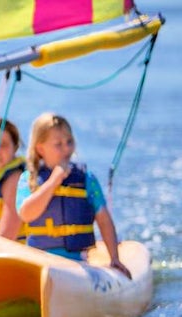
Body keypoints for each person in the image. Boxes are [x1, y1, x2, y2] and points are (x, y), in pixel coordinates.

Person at [17, 112, 132, 278]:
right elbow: (26, 214)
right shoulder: (29, 179)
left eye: (69, 142)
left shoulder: (87, 178)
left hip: (77, 262)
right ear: (40, 149)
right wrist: (53, 182)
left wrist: (114, 257)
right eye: (58, 144)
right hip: (39, 262)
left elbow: (104, 220)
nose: (67, 149)